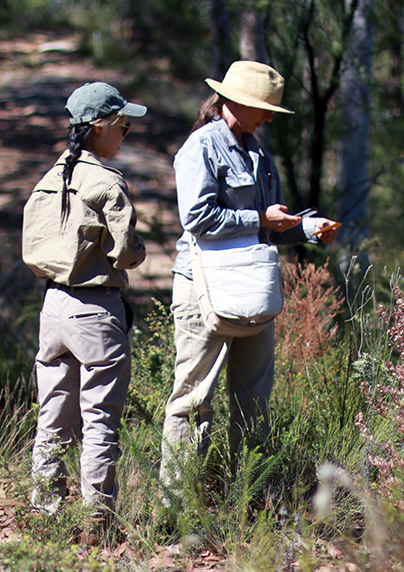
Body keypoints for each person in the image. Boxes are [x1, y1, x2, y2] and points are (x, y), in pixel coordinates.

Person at [160, 61, 339, 489]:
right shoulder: (200, 147)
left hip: (252, 288)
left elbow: (270, 225)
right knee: (193, 399)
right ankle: (178, 506)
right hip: (204, 289)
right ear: (233, 102)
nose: (268, 118)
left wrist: (308, 229)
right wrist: (260, 216)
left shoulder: (259, 154)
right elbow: (197, 217)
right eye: (263, 108)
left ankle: (249, 497)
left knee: (254, 400)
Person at [21, 82, 147, 522]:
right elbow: (127, 252)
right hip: (95, 308)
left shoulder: (49, 179)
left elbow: (34, 248)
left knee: (52, 415)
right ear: (98, 128)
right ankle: (97, 519)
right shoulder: (107, 183)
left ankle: (45, 512)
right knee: (100, 417)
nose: (126, 133)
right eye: (123, 127)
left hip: (52, 306)